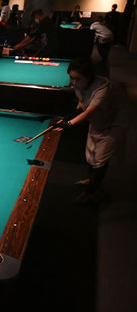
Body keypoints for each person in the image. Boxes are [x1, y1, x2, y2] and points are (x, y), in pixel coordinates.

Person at [53, 57, 129, 204]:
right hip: (98, 120)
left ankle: (91, 192)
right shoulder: (80, 84)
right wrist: (74, 111)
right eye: (71, 77)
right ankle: (91, 180)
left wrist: (67, 124)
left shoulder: (103, 88)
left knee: (100, 158)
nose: (72, 82)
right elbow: (82, 105)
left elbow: (89, 112)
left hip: (114, 123)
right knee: (90, 153)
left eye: (77, 79)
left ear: (89, 77)